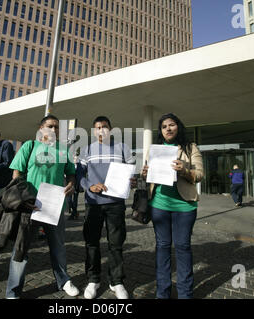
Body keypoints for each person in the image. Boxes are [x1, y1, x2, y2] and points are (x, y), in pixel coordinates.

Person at [5, 114, 79, 299]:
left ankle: (63, 281)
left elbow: (71, 174)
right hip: (31, 205)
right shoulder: (29, 146)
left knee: (58, 246)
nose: (53, 130)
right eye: (49, 126)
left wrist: (71, 184)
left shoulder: (64, 150)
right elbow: (17, 175)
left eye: (56, 127)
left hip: (54, 206)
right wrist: (23, 199)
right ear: (41, 129)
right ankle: (13, 291)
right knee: (21, 248)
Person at [141, 113, 203, 299]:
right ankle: (163, 293)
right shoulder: (155, 149)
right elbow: (148, 177)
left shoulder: (190, 147)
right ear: (160, 131)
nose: (168, 128)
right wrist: (145, 173)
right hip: (159, 204)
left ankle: (185, 293)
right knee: (162, 247)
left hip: (184, 207)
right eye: (164, 126)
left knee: (183, 248)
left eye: (171, 125)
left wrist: (184, 171)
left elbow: (199, 174)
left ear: (178, 126)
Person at [76, 116, 135, 299]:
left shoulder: (123, 148)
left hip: (115, 204)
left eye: (104, 127)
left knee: (115, 244)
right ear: (94, 131)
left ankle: (116, 281)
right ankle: (93, 280)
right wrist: (89, 186)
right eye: (97, 127)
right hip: (93, 203)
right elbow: (79, 175)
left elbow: (132, 171)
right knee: (92, 243)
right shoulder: (86, 150)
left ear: (110, 129)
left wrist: (131, 180)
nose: (101, 130)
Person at [67, 154, 80, 220]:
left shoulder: (78, 161)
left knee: (75, 199)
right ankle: (75, 212)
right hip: (68, 182)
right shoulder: (68, 158)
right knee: (68, 199)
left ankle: (73, 214)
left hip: (76, 182)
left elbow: (79, 173)